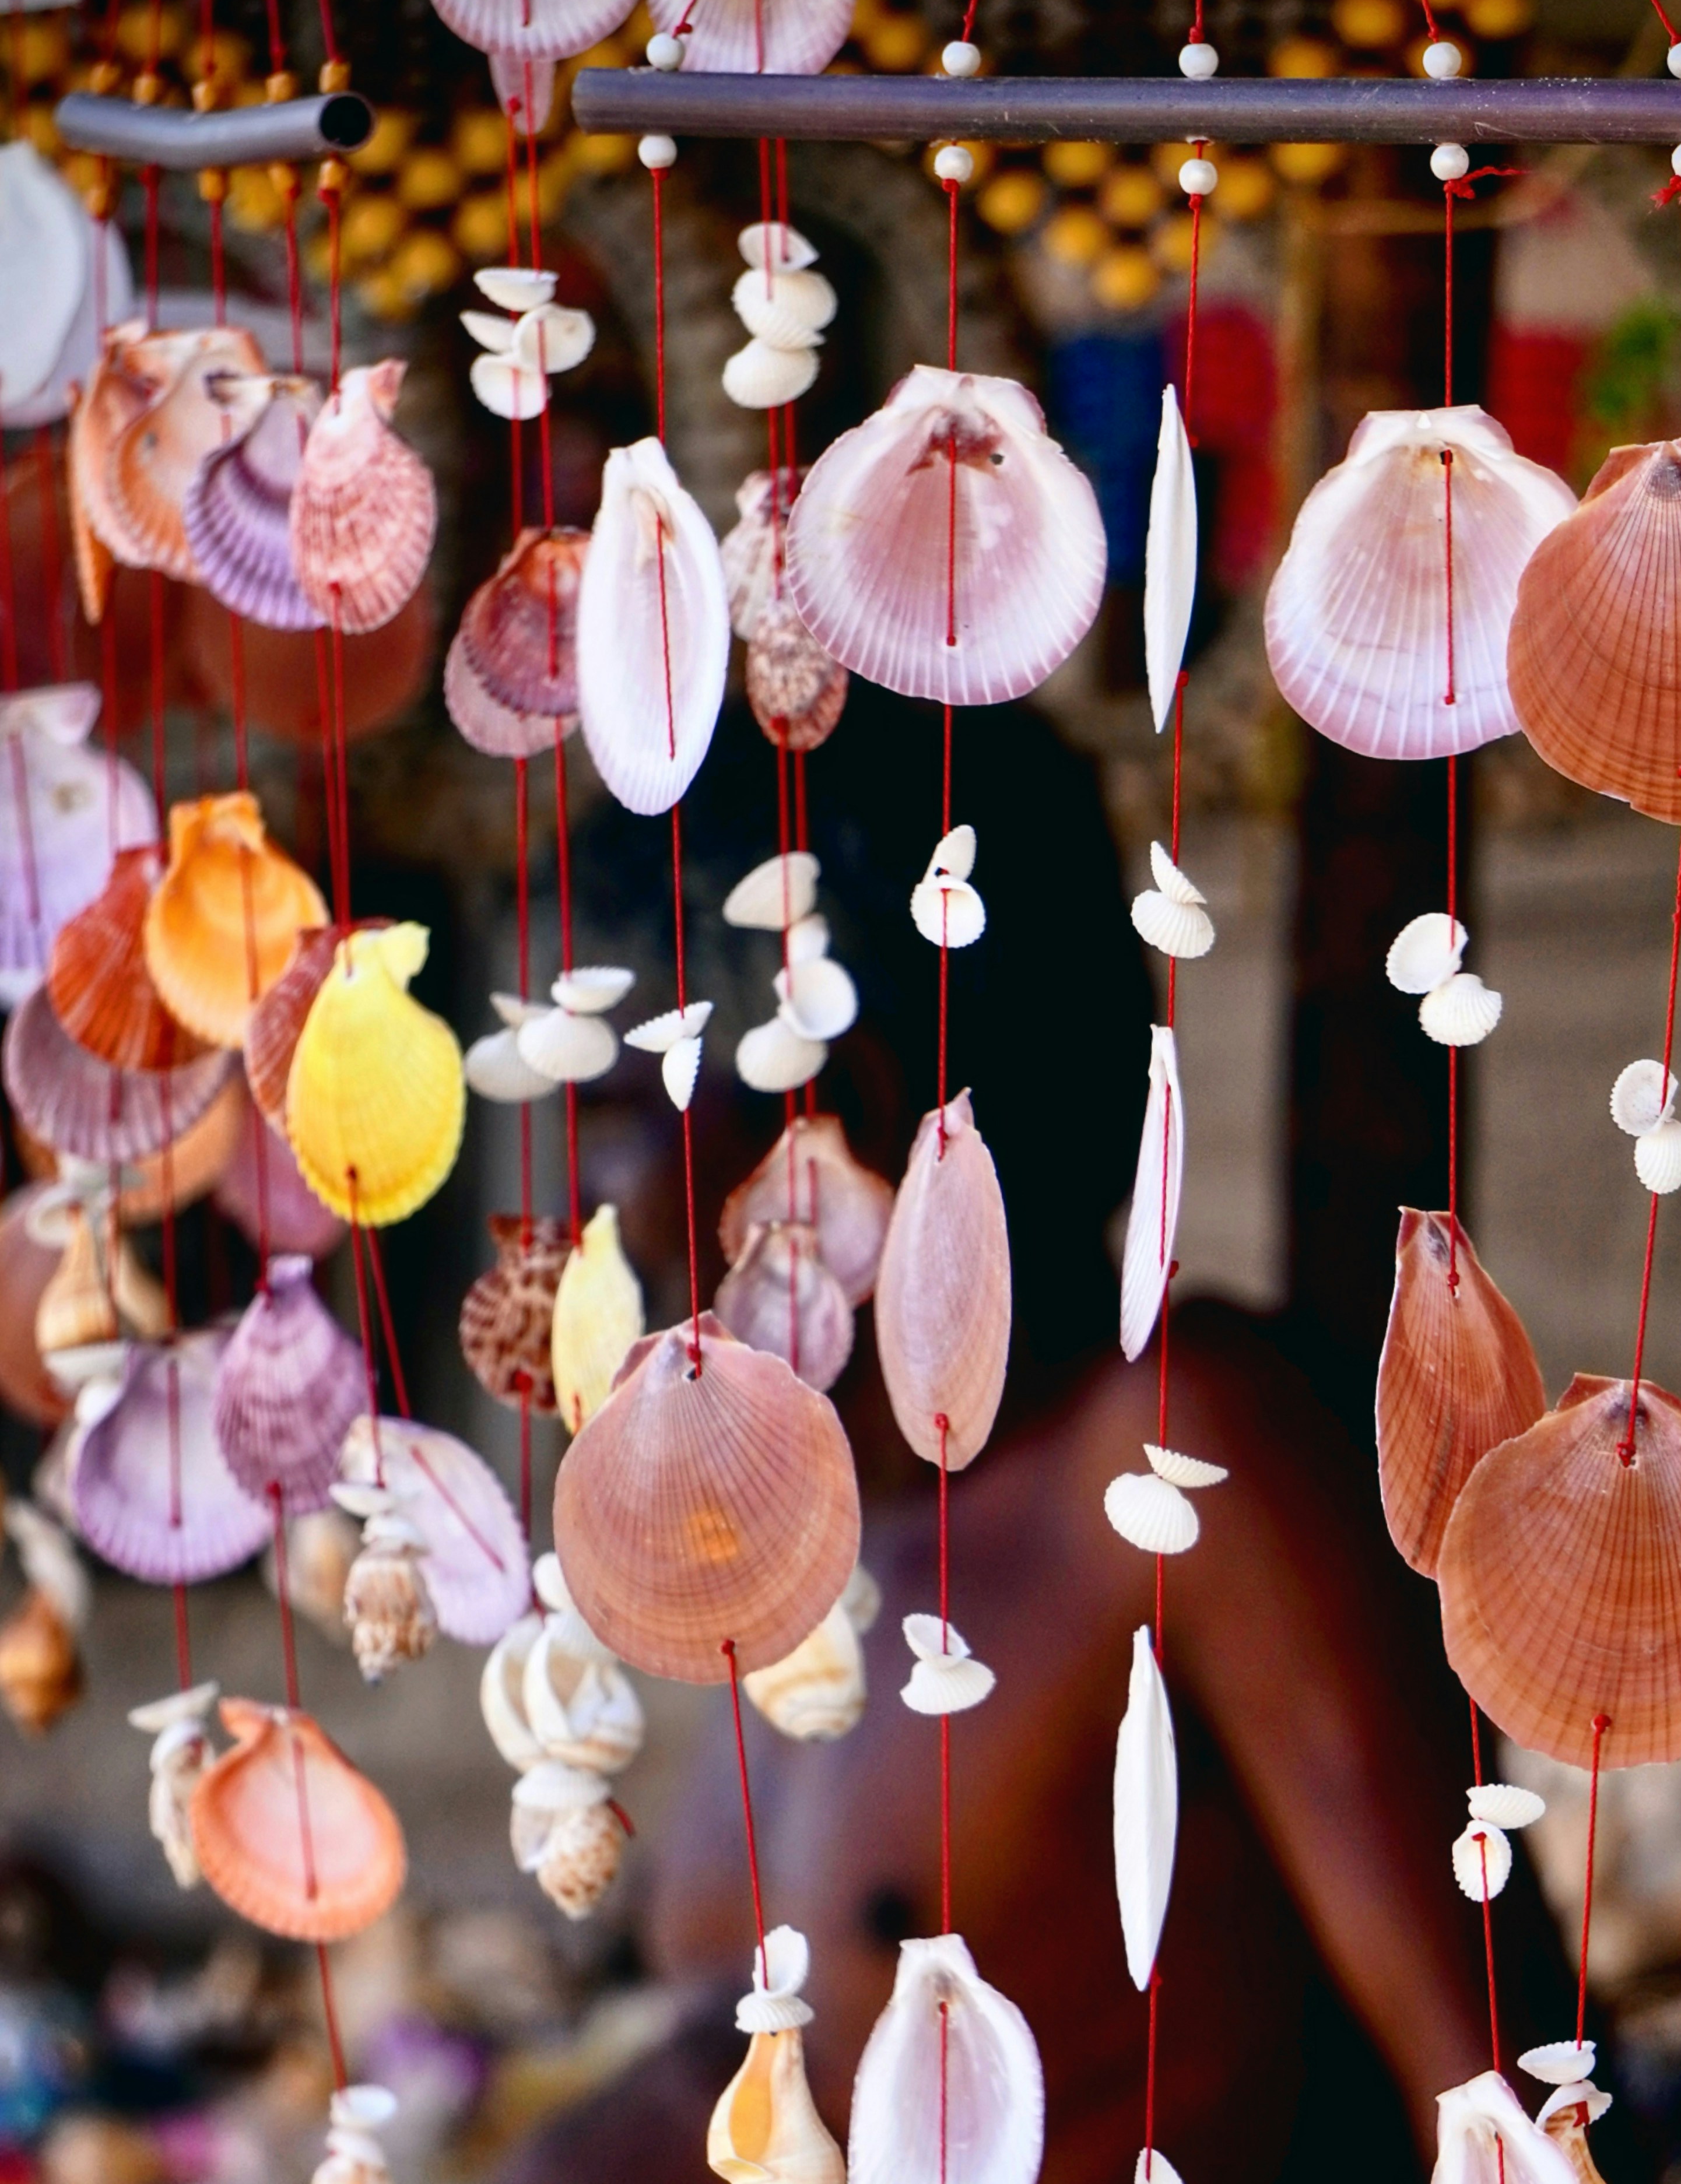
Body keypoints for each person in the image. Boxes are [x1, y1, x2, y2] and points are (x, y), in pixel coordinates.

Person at [516, 684, 1574, 2184]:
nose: (572, 1228)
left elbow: (1504, 2096)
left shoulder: (1170, 1466)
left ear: (833, 1130)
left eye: (617, 1121)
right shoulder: (827, 1534)